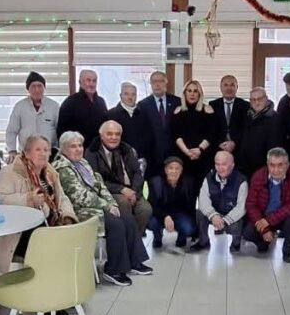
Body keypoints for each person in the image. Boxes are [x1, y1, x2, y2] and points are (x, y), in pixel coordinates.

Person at [0, 134, 77, 315]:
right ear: (27, 152)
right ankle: (46, 300)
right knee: (49, 248)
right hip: (17, 233)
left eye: (46, 150)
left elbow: (62, 199)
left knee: (68, 242)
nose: (43, 153)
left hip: (46, 226)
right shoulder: (11, 172)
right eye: (38, 149)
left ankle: (62, 294)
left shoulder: (50, 173)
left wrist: (68, 217)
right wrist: (26, 199)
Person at [55, 131, 151, 287]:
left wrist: (111, 202)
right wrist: (106, 206)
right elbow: (80, 196)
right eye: (73, 146)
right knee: (115, 223)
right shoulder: (63, 168)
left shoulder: (82, 163)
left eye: (80, 145)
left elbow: (100, 185)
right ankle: (113, 269)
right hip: (78, 210)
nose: (78, 149)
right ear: (63, 149)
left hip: (95, 204)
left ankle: (134, 261)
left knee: (125, 215)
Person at [85, 120, 152, 237]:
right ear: (101, 136)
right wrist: (121, 189)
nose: (114, 137)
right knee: (123, 202)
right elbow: (95, 181)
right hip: (109, 192)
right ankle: (123, 240)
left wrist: (134, 192)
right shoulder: (92, 152)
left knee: (146, 209)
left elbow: (137, 173)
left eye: (117, 134)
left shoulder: (126, 149)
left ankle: (134, 240)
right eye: (109, 134)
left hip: (131, 190)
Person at [243, 148, 290, 263]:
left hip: (284, 217)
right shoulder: (258, 175)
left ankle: (287, 250)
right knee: (248, 232)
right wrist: (264, 229)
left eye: (280, 165)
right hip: (264, 216)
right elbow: (251, 205)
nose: (276, 170)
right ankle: (263, 243)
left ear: (287, 165)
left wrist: (269, 221)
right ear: (267, 164)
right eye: (272, 165)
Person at [190, 150, 248, 253]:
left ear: (232, 165)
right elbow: (203, 199)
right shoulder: (209, 177)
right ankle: (203, 241)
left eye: (224, 164)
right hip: (215, 213)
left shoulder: (241, 181)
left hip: (231, 216)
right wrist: (213, 215)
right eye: (217, 164)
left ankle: (236, 243)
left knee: (237, 225)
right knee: (200, 213)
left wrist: (225, 220)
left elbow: (241, 207)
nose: (220, 168)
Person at [171, 79, 216, 191]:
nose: (192, 94)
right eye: (189, 90)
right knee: (186, 194)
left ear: (199, 94)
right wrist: (187, 152)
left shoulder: (208, 109)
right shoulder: (178, 111)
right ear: (185, 93)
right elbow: (176, 135)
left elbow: (212, 134)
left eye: (195, 91)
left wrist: (200, 149)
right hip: (183, 157)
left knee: (203, 193)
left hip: (203, 158)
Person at [5, 72, 60, 160]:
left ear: (44, 88)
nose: (37, 90)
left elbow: (59, 129)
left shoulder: (54, 106)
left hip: (49, 154)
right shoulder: (20, 106)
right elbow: (11, 131)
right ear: (28, 89)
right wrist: (12, 150)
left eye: (40, 86)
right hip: (26, 154)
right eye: (33, 86)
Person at [136, 71, 181, 177]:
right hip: (152, 157)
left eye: (160, 81)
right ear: (151, 84)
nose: (157, 84)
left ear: (166, 83)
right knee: (155, 189)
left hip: (173, 155)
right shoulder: (143, 105)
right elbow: (141, 132)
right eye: (154, 82)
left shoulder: (177, 102)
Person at [147, 156, 197, 250]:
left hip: (179, 213)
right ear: (165, 170)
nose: (174, 171)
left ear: (181, 171)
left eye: (177, 168)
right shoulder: (156, 181)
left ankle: (182, 237)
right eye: (171, 168)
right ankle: (157, 236)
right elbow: (153, 205)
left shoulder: (188, 182)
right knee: (152, 223)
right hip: (160, 214)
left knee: (189, 228)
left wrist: (193, 225)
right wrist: (165, 216)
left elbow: (190, 206)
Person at [237, 87, 284, 178]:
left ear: (266, 98)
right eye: (253, 100)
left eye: (259, 99)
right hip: (244, 167)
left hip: (263, 168)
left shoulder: (275, 118)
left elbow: (275, 145)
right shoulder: (247, 116)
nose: (256, 102)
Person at [106, 82, 152, 171]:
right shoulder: (111, 115)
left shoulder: (144, 114)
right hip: (118, 162)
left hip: (141, 161)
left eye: (133, 94)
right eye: (126, 94)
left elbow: (148, 137)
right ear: (120, 95)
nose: (130, 97)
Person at [57, 69, 108, 145]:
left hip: (97, 149)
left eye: (94, 81)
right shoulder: (70, 102)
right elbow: (62, 131)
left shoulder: (101, 102)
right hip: (77, 148)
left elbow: (105, 126)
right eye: (88, 80)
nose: (91, 84)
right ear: (80, 82)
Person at [210, 75, 249, 156]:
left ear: (237, 87)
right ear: (220, 88)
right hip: (219, 148)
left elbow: (246, 128)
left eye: (232, 85)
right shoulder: (213, 105)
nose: (229, 88)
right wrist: (219, 143)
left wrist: (234, 142)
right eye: (225, 85)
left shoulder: (245, 106)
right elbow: (211, 128)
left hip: (239, 147)